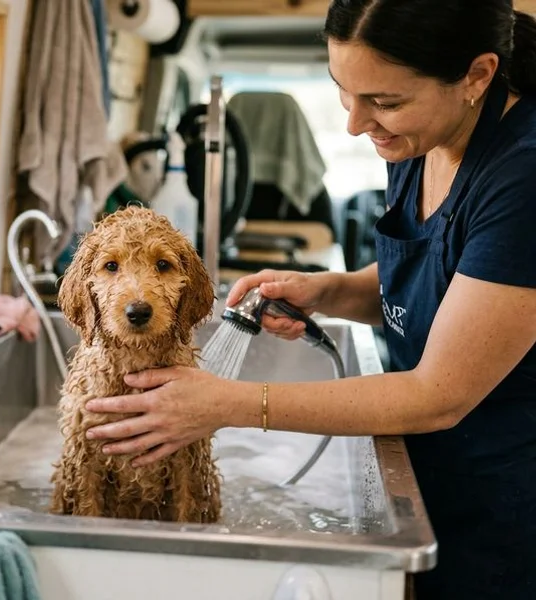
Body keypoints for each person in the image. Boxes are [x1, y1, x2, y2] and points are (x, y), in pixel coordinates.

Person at [81, 1, 536, 598]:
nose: (355, 124)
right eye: (343, 92)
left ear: (476, 77)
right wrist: (328, 290)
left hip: (505, 501)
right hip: (425, 470)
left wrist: (230, 403)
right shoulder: (419, 136)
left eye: (385, 101)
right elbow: (443, 278)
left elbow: (440, 395)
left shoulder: (524, 176)